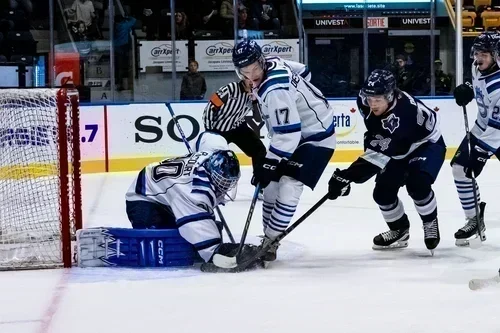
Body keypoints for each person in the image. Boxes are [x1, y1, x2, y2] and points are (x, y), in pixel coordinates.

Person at [232, 40, 335, 262]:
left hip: (318, 136)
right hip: (295, 135)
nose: (252, 76)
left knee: (289, 185)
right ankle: (268, 238)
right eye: (245, 72)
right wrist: (301, 95)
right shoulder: (273, 62)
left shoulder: (275, 89)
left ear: (261, 61)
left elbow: (289, 133)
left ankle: (270, 242)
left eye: (255, 69)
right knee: (269, 185)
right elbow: (303, 71)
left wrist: (269, 163)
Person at [328, 69, 446, 254]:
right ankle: (399, 230)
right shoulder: (364, 100)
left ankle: (429, 221)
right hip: (397, 148)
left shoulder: (403, 113)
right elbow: (377, 137)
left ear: (390, 96)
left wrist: (346, 176)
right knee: (382, 194)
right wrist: (348, 177)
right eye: (370, 99)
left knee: (418, 184)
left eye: (378, 100)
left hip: (425, 144)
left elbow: (376, 157)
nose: (372, 104)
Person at [124, 132, 260, 270]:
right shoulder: (194, 191)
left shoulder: (213, 153)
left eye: (228, 183)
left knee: (184, 231)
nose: (225, 187)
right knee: (156, 237)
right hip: (142, 196)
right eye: (222, 182)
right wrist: (216, 252)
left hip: (166, 191)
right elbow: (196, 227)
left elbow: (207, 136)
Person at [451, 31, 500, 246]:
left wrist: (479, 154)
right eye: (477, 53)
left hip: (496, 132)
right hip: (482, 129)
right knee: (460, 169)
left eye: (485, 54)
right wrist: (468, 89)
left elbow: (497, 128)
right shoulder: (476, 67)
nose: (479, 58)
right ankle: (474, 219)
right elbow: (478, 84)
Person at [202, 80, 267, 198]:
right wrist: (210, 131)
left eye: (255, 80)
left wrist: (255, 101)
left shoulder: (256, 92)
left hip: (238, 127)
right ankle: (211, 188)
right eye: (249, 79)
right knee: (215, 159)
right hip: (218, 129)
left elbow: (258, 118)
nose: (252, 82)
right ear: (243, 78)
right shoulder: (230, 89)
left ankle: (260, 185)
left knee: (259, 150)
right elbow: (210, 107)